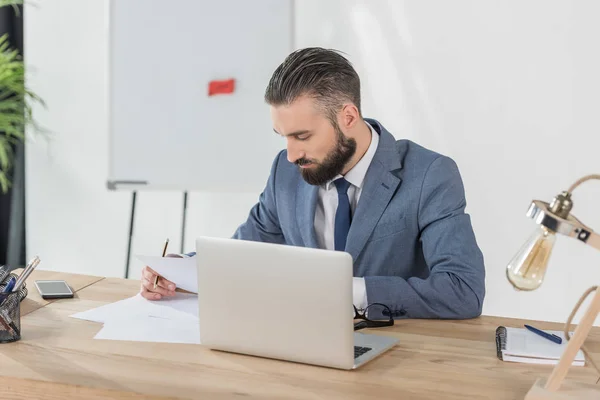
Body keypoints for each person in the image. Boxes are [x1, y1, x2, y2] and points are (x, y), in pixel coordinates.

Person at [141, 47, 485, 319]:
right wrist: (181, 271)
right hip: (299, 347)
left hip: (396, 353)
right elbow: (243, 253)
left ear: (348, 117)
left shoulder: (429, 175)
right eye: (283, 137)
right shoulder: (285, 172)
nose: (290, 154)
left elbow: (462, 290)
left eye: (302, 135)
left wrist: (345, 292)